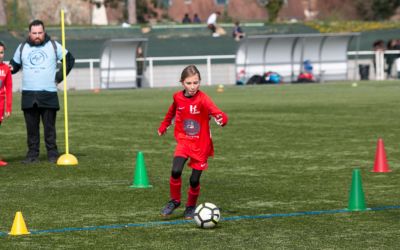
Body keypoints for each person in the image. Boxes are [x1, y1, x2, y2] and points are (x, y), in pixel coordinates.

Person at [158, 65, 228, 219]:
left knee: (194, 180)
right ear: (182, 82)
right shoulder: (177, 97)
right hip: (184, 140)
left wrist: (222, 118)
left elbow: (216, 111)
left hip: (201, 144)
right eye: (189, 83)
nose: (192, 86)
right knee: (175, 171)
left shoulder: (203, 99)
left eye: (195, 82)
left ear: (200, 82)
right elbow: (171, 112)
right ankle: (175, 201)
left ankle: (190, 207)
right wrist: (164, 125)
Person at [9, 19, 75, 164]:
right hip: (28, 94)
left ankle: (53, 154)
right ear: (29, 33)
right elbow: (14, 65)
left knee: (49, 128)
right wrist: (8, 69)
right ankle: (32, 155)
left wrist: (59, 77)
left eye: (40, 33)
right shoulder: (22, 48)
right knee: (31, 129)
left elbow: (69, 60)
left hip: (48, 94)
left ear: (44, 32)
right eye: (34, 33)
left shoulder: (54, 46)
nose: (37, 35)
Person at [0, 41, 13, 166]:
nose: (0, 55)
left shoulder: (6, 69)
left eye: (2, 52)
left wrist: (8, 108)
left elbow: (9, 89)